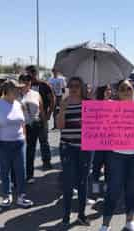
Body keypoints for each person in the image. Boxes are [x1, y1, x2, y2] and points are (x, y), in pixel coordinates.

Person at [99, 79, 134, 231]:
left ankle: (130, 221)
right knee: (113, 189)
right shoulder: (110, 107)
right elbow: (101, 127)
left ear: (133, 91)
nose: (126, 91)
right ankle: (105, 225)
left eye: (129, 88)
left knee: (132, 188)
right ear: (117, 92)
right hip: (117, 155)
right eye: (122, 89)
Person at [0, 79, 33, 208]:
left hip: (19, 143)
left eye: (19, 88)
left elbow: (22, 123)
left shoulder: (19, 104)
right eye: (16, 89)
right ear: (8, 91)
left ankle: (21, 196)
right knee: (5, 171)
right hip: (3, 144)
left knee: (21, 171)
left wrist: (24, 138)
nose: (19, 90)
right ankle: (7, 196)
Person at [57, 77, 92, 226]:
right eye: (70, 85)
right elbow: (59, 126)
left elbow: (96, 127)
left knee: (83, 181)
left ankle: (81, 215)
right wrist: (63, 110)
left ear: (82, 87)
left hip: (85, 148)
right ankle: (66, 215)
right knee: (68, 182)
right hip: (68, 147)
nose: (73, 88)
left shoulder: (88, 103)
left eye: (77, 85)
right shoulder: (64, 103)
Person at [25, 65, 55, 170]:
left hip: (42, 118)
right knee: (30, 144)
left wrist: (49, 114)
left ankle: (46, 162)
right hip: (28, 121)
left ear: (35, 73)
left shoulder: (44, 85)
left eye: (30, 73)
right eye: (27, 73)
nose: (29, 76)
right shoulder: (24, 86)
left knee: (43, 141)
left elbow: (52, 100)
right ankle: (29, 166)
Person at [19, 74, 45, 183]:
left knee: (30, 151)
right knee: (19, 151)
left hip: (33, 125)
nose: (26, 82)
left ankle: (29, 175)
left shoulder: (36, 94)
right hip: (18, 126)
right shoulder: (14, 94)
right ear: (19, 81)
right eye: (23, 80)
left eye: (28, 80)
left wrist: (43, 123)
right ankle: (18, 175)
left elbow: (41, 109)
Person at [92, 84, 113, 194]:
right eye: (107, 90)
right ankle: (95, 184)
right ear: (101, 91)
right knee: (97, 163)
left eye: (110, 90)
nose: (109, 91)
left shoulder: (114, 104)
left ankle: (106, 184)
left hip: (111, 140)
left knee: (109, 164)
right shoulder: (95, 104)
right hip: (97, 140)